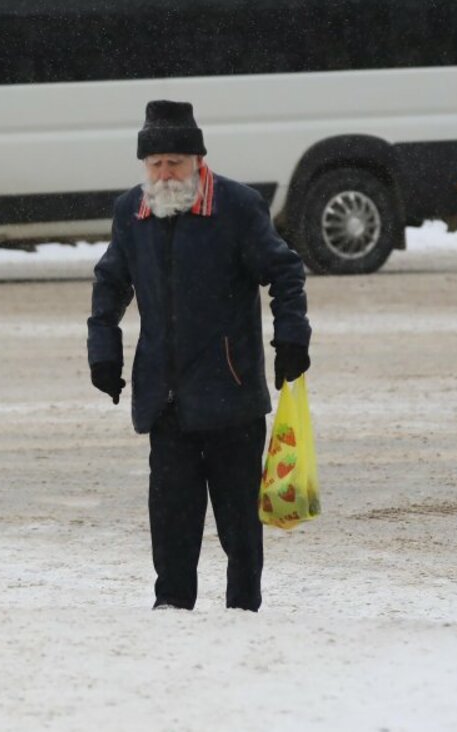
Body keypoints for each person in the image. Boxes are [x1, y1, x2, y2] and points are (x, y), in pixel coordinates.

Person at [88, 100, 311, 612]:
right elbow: (110, 283)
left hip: (230, 395)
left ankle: (243, 609)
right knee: (172, 523)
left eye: (175, 163)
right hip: (164, 399)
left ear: (198, 161)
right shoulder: (133, 211)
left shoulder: (236, 206)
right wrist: (104, 352)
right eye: (155, 164)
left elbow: (285, 272)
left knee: (239, 525)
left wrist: (292, 337)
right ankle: (171, 609)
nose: (165, 175)